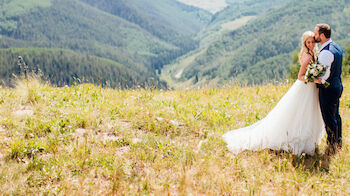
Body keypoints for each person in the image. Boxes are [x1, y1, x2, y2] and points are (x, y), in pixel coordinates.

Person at [222, 31, 325, 155]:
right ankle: (297, 138)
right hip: (305, 88)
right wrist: (314, 78)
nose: (311, 44)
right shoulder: (308, 56)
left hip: (310, 88)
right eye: (308, 42)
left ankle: (307, 138)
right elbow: (300, 76)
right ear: (305, 43)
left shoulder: (312, 53)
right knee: (300, 113)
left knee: (307, 113)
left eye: (312, 41)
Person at [314, 24, 343, 154]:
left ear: (322, 35)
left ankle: (332, 147)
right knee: (336, 116)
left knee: (329, 118)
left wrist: (313, 78)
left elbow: (323, 75)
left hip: (328, 89)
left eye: (316, 34)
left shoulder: (325, 52)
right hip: (337, 85)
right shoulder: (336, 47)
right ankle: (338, 142)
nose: (315, 36)